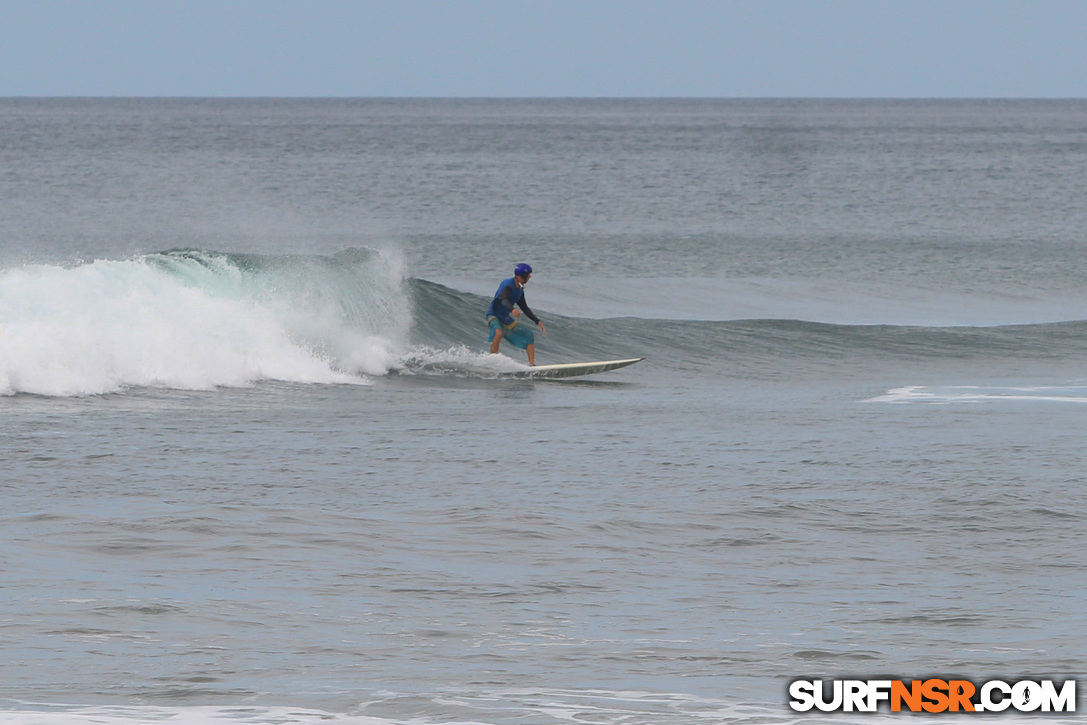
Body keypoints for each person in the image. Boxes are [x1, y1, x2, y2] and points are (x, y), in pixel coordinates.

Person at [487, 263, 548, 365]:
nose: (530, 277)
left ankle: (532, 365)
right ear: (521, 276)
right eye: (528, 275)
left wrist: (537, 321)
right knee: (498, 333)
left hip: (505, 318)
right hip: (493, 314)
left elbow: (524, 307)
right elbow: (503, 299)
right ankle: (492, 362)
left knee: (529, 335)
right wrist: (512, 310)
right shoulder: (508, 285)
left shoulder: (519, 290)